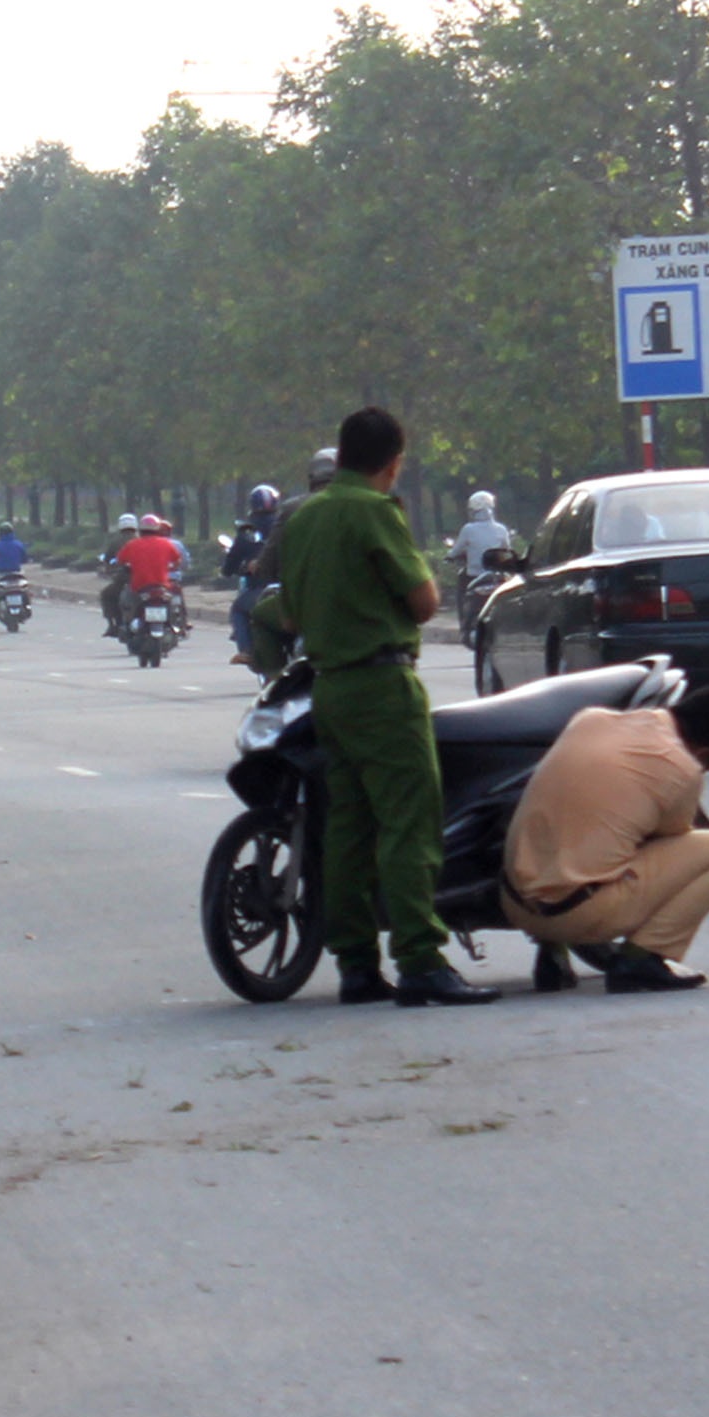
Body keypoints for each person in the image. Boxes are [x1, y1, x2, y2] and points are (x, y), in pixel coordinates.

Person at [278, 408, 491, 1007]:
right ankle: (420, 957)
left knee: (347, 827)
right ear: (393, 462)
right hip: (383, 686)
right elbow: (424, 602)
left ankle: (355, 965)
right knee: (408, 822)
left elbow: (288, 615)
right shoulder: (375, 512)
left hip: (329, 689)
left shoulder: (304, 517)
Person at [502, 687, 709, 993]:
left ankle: (553, 952)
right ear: (704, 754)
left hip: (514, 904)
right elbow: (670, 840)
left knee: (575, 835)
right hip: (577, 914)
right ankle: (640, 960)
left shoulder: (589, 719)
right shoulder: (682, 767)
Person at [249, 449, 339, 677]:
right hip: (359, 605)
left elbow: (269, 558)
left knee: (260, 616)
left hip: (304, 604)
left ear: (312, 478)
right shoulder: (368, 505)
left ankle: (275, 682)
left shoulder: (293, 508)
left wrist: (263, 570)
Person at [225, 483, 282, 663]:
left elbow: (230, 565)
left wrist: (232, 569)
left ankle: (247, 650)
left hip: (260, 589)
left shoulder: (247, 531)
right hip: (291, 587)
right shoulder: (286, 524)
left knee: (238, 610)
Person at [447, 489, 514, 631]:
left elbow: (456, 550)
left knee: (461, 593)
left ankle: (464, 624)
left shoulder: (468, 529)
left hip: (474, 575)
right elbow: (507, 550)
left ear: (473, 511)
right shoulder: (501, 529)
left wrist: (449, 555)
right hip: (496, 576)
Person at [98, 512, 140, 637]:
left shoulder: (116, 542)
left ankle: (112, 624)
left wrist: (108, 567)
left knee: (106, 595)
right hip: (142, 580)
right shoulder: (141, 540)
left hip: (123, 580)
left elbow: (108, 559)